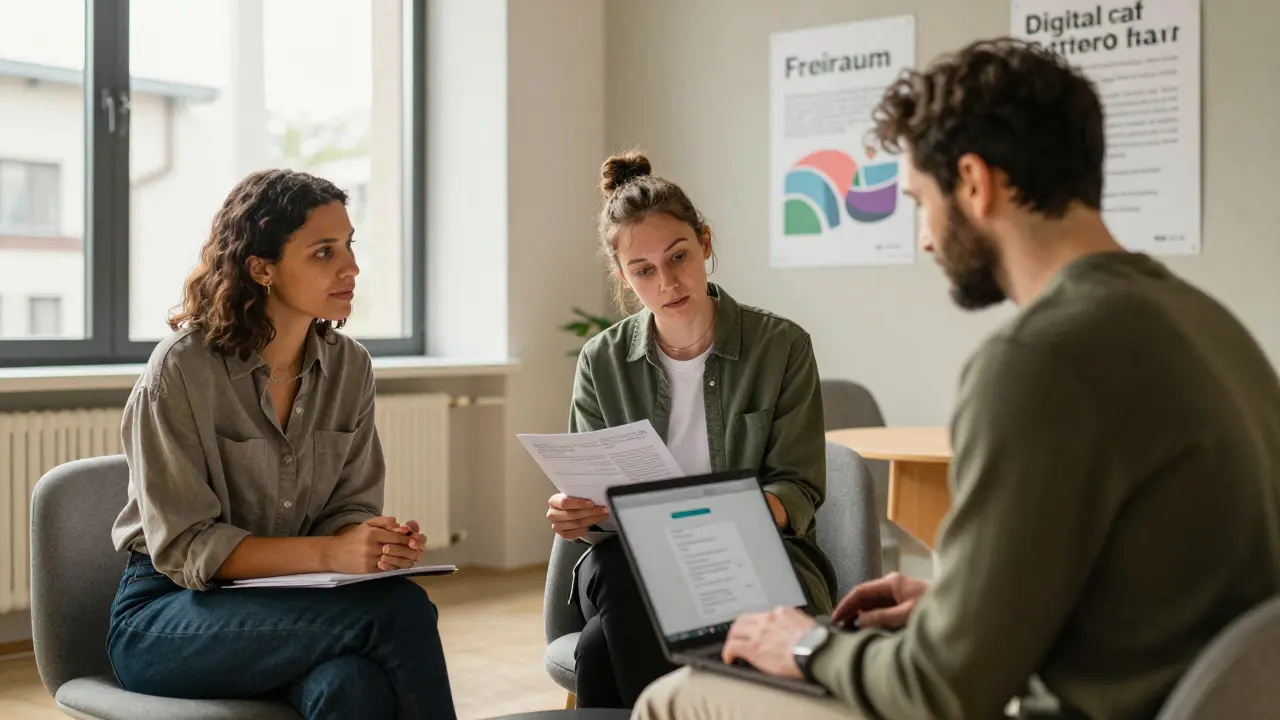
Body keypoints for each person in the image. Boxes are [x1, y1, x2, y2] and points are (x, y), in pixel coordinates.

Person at [632, 37, 1280, 720]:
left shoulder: (1037, 360)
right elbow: (1143, 590)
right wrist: (955, 607)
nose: (926, 238)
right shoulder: (1209, 323)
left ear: (974, 182)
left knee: (675, 697)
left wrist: (805, 644)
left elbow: (940, 692)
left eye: (920, 201)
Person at [108, 169, 456, 720]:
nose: (351, 267)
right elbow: (185, 546)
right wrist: (331, 554)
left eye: (349, 246)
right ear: (261, 268)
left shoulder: (350, 367)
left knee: (352, 684)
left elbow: (349, 507)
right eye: (324, 252)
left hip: (293, 603)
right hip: (168, 615)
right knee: (398, 610)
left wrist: (368, 542)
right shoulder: (182, 368)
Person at [546, 151, 839, 708]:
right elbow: (593, 503)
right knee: (615, 563)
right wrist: (577, 513)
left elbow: (797, 490)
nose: (667, 282)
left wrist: (712, 519)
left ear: (704, 243)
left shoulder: (782, 347)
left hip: (754, 560)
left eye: (678, 256)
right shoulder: (601, 361)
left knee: (599, 649)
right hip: (632, 565)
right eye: (643, 270)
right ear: (623, 276)